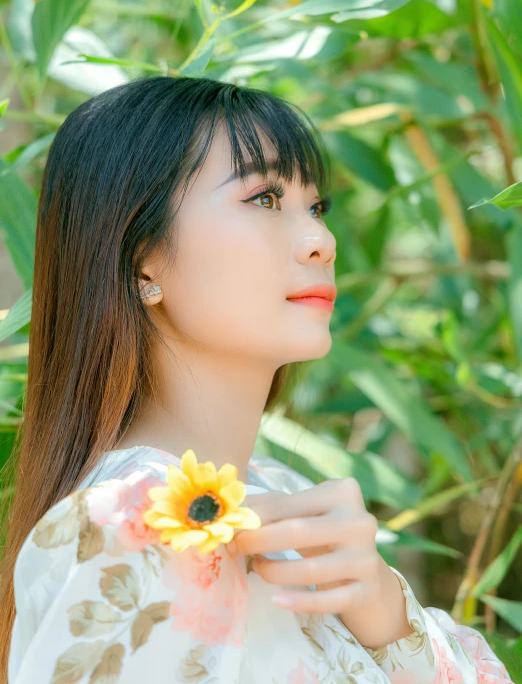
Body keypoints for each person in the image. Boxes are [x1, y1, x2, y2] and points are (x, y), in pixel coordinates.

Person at [0, 76, 513, 684]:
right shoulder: (126, 528)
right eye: (265, 199)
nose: (321, 241)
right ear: (143, 257)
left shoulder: (288, 497)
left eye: (316, 207)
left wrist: (387, 617)